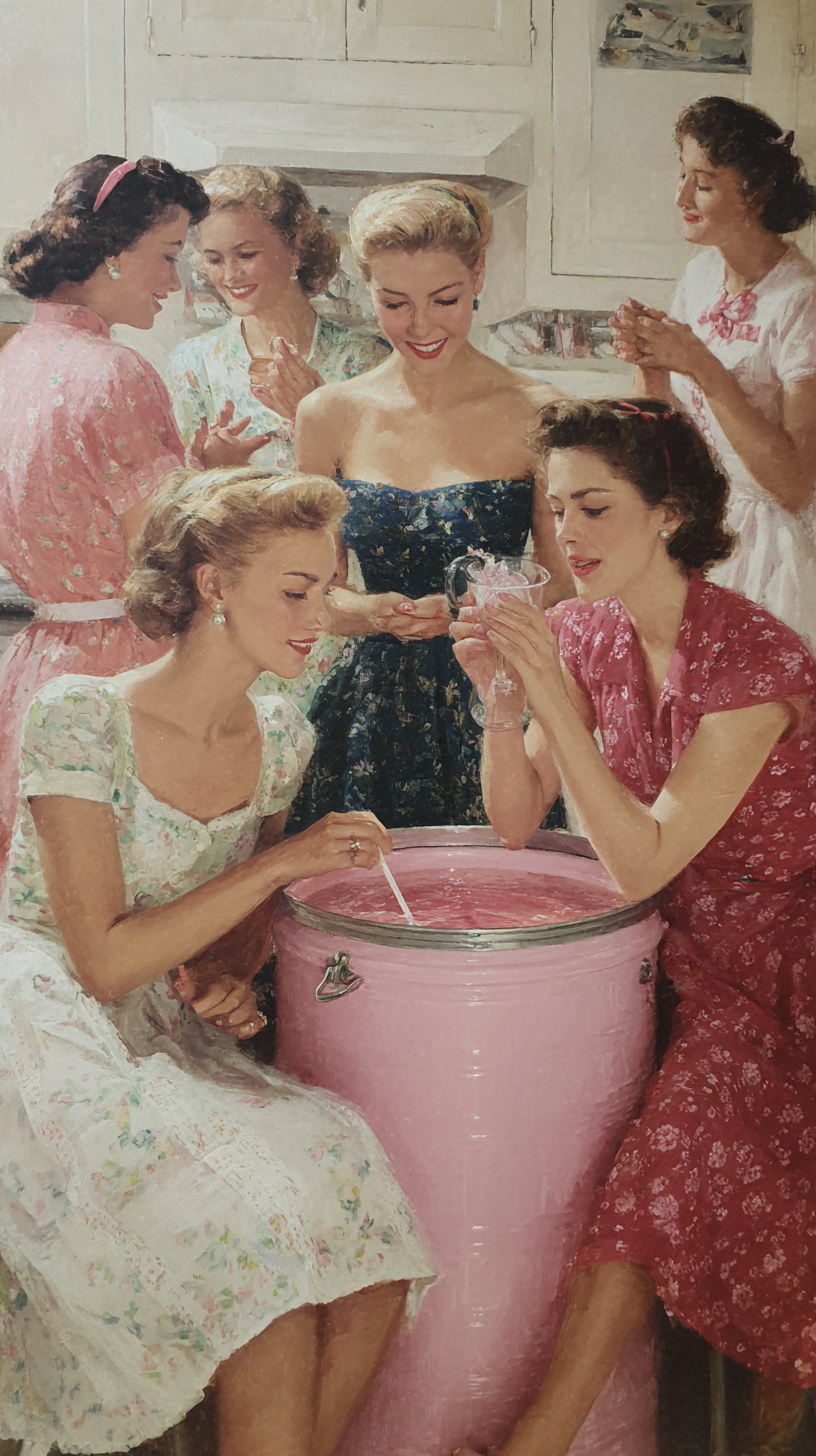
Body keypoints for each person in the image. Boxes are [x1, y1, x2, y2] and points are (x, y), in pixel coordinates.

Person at [0, 466, 434, 1456]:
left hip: (165, 1031)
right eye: (295, 589)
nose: (319, 614)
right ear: (211, 586)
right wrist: (289, 857)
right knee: (267, 1274)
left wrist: (235, 975)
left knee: (370, 1246)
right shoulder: (81, 716)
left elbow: (235, 923)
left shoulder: (282, 732)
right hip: (42, 1031)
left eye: (327, 588)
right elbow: (103, 960)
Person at [451, 397, 816, 1456]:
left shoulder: (758, 667)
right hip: (665, 952)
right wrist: (505, 702)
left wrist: (561, 703)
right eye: (556, 510)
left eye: (596, 507)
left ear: (671, 511)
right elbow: (517, 822)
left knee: (675, 1141)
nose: (569, 537)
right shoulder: (580, 628)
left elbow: (644, 858)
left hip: (780, 969)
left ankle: (538, 1439)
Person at [0, 153, 266, 878]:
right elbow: (165, 555)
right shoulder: (117, 372)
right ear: (113, 252)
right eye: (169, 256)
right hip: (127, 666)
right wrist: (228, 495)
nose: (176, 283)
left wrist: (201, 477)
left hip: (42, 664)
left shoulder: (18, 356)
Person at [289, 178, 574, 832]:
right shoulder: (329, 414)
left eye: (445, 300)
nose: (421, 326)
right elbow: (310, 595)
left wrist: (476, 615)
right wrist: (369, 611)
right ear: (368, 292)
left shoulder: (540, 410)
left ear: (477, 275)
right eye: (395, 303)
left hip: (496, 707)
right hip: (367, 718)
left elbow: (565, 582)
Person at [164, 164, 391, 711]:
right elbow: (181, 518)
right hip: (245, 617)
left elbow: (391, 499)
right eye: (213, 259)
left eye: (246, 254)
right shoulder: (195, 364)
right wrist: (211, 473)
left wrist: (314, 418)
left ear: (295, 250)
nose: (229, 275)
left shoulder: (367, 361)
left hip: (342, 610)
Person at [610, 96, 816, 651]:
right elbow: (668, 435)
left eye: (702, 182)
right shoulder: (699, 277)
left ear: (756, 192)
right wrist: (649, 363)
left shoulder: (801, 301)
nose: (680, 197)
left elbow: (796, 483)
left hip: (767, 548)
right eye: (683, 175)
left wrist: (700, 363)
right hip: (696, 530)